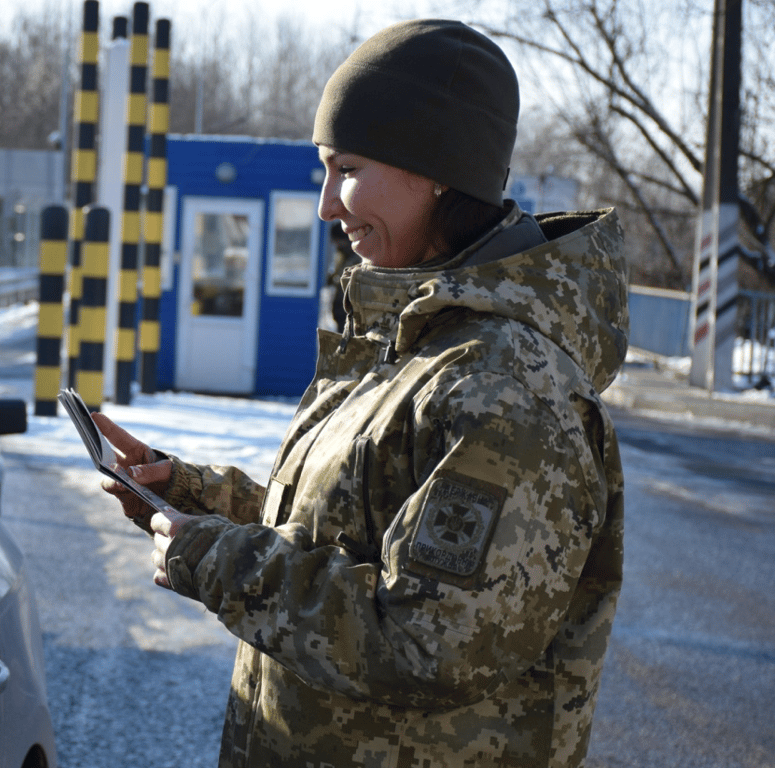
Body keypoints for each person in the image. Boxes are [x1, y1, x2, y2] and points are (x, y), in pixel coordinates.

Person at [94, 19, 628, 768]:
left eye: (345, 169)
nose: (326, 207)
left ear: (440, 168)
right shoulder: (416, 338)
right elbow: (350, 533)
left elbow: (430, 639)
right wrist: (192, 499)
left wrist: (218, 561)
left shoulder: (506, 390)